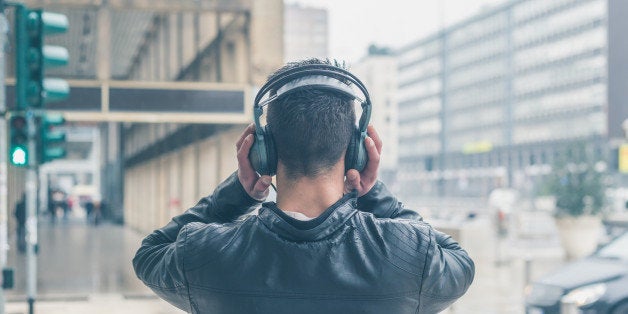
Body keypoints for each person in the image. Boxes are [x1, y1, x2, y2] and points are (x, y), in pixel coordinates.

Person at [133, 59, 475, 313]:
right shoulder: (411, 254)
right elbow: (460, 262)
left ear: (263, 152)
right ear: (356, 150)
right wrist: (372, 194)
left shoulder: (205, 254)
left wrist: (237, 193)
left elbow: (149, 253)